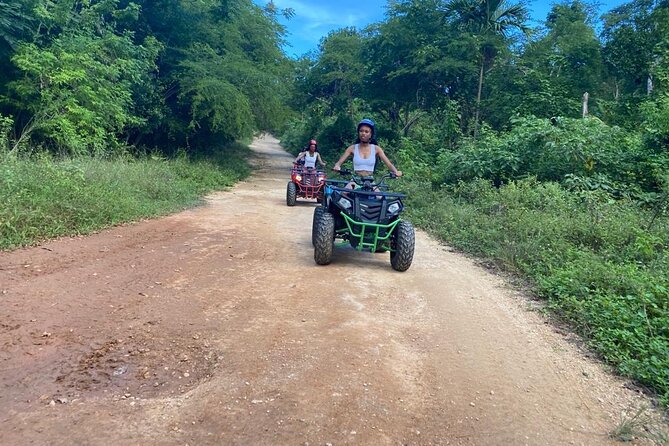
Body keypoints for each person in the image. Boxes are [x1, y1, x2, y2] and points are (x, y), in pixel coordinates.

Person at [332, 119, 402, 186]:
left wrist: (396, 172)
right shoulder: (352, 148)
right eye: (361, 131)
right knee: (343, 195)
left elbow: (389, 164)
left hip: (370, 181)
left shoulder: (376, 149)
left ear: (371, 134)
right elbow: (338, 163)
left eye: (366, 131)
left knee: (381, 197)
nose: (363, 133)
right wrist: (337, 166)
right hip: (356, 180)